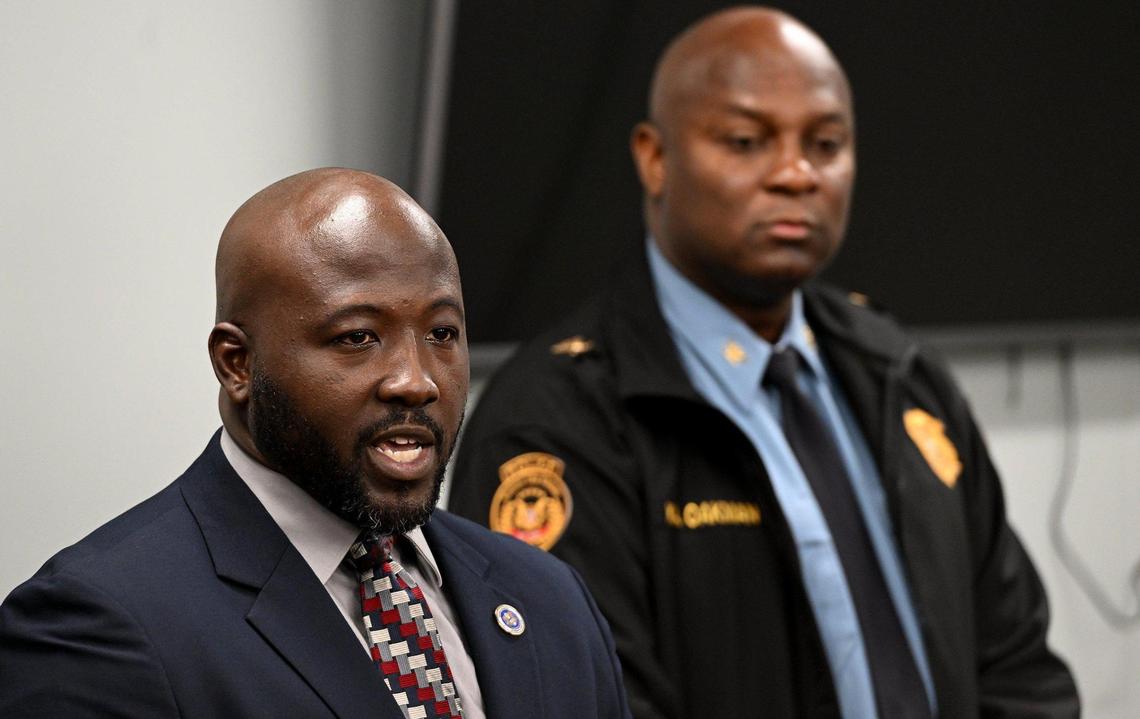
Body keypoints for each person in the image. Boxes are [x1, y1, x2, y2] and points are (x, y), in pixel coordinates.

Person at [447, 7, 1079, 718]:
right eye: (747, 141)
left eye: (826, 143)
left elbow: (1020, 668)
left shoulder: (901, 373)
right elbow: (584, 700)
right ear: (655, 159)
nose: (796, 174)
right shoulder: (557, 418)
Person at [0, 169, 632, 719]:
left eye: (442, 333)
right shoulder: (97, 627)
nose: (416, 381)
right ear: (237, 364)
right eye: (358, 337)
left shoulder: (550, 599)